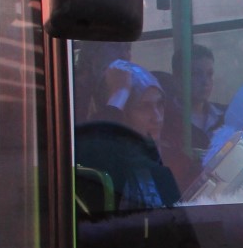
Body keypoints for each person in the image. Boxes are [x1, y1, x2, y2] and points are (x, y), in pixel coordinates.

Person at [75, 60, 180, 211]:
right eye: (144, 107)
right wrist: (119, 94)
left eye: (160, 104)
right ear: (122, 112)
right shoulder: (96, 160)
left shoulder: (158, 164)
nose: (157, 117)